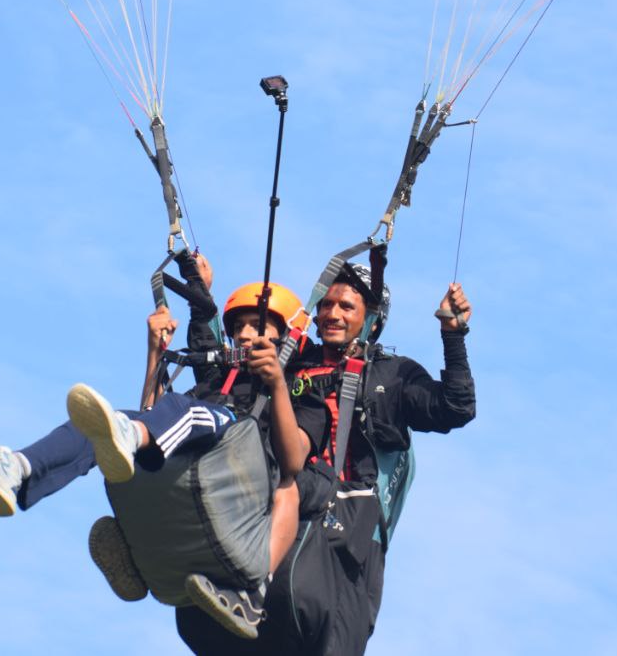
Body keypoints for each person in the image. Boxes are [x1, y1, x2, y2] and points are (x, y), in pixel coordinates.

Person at [0, 263, 329, 637]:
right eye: (239, 327)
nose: (245, 335)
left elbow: (293, 462)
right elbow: (153, 411)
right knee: (102, 425)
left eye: (257, 325)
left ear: (286, 337)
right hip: (196, 453)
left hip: (245, 467)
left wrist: (277, 383)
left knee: (182, 413)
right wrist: (156, 351)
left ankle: (251, 589)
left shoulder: (303, 391)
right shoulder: (217, 379)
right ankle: (14, 470)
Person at [176, 265, 476, 655]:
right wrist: (200, 294)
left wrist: (453, 335)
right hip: (283, 490)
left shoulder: (393, 375)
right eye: (327, 305)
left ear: (371, 319)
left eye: (347, 306)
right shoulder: (294, 361)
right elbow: (223, 372)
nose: (333, 313)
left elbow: (456, 407)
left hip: (351, 528)